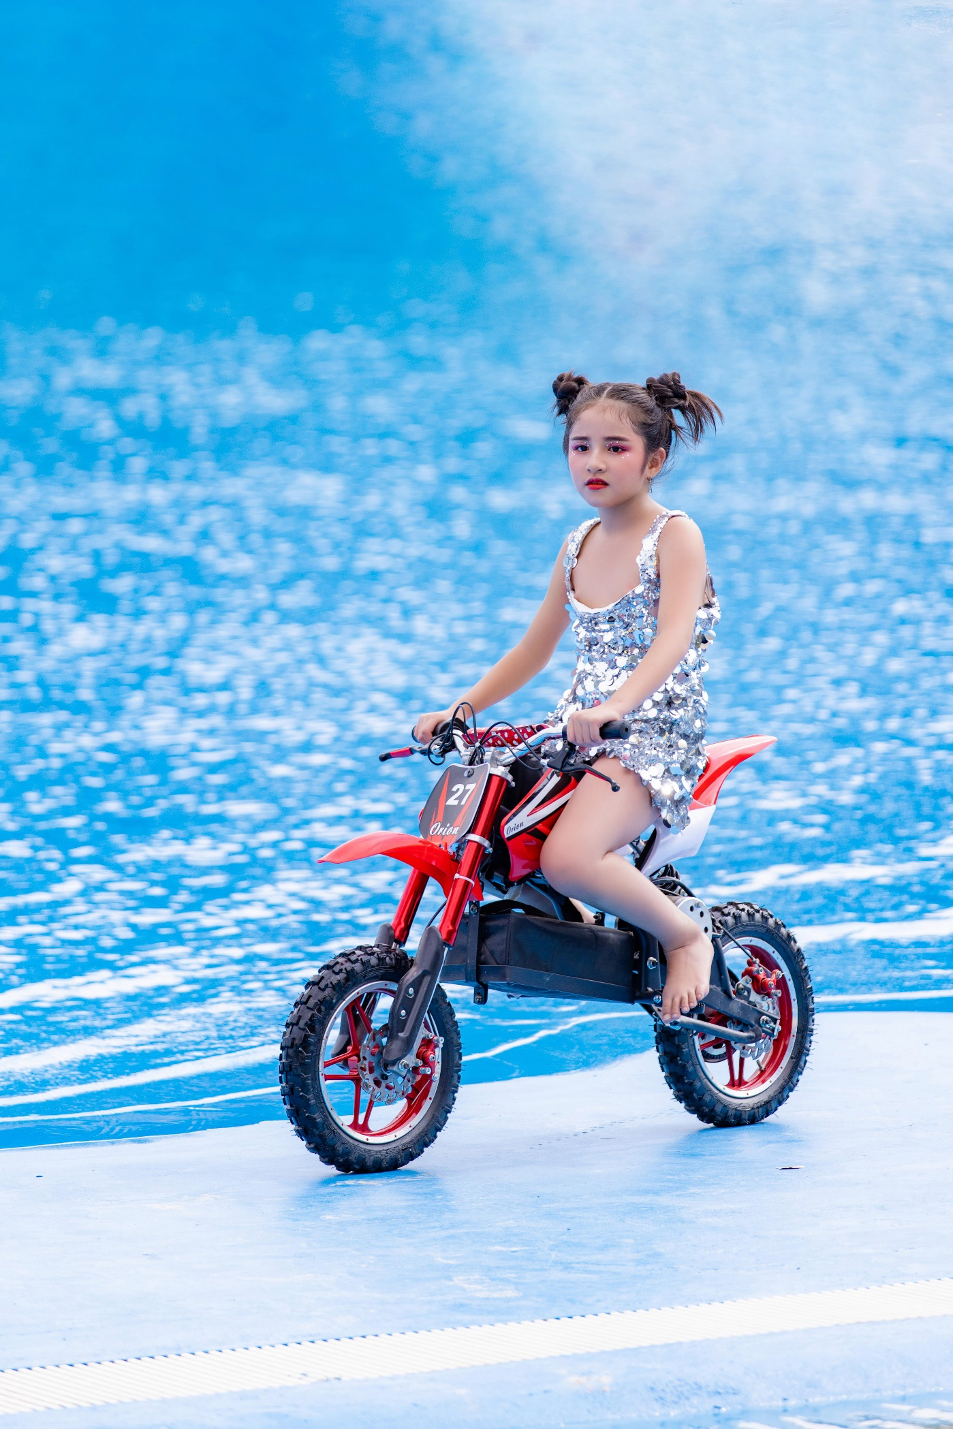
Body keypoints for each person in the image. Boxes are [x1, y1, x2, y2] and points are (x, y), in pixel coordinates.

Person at [414, 371, 722, 1022]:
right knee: (495, 831)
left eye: (615, 447)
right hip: (577, 730)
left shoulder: (675, 535)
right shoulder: (577, 544)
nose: (595, 462)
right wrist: (460, 709)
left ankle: (686, 938)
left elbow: (672, 639)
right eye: (581, 447)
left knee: (568, 856)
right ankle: (576, 922)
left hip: (651, 732)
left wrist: (615, 708)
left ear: (654, 459)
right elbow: (532, 650)